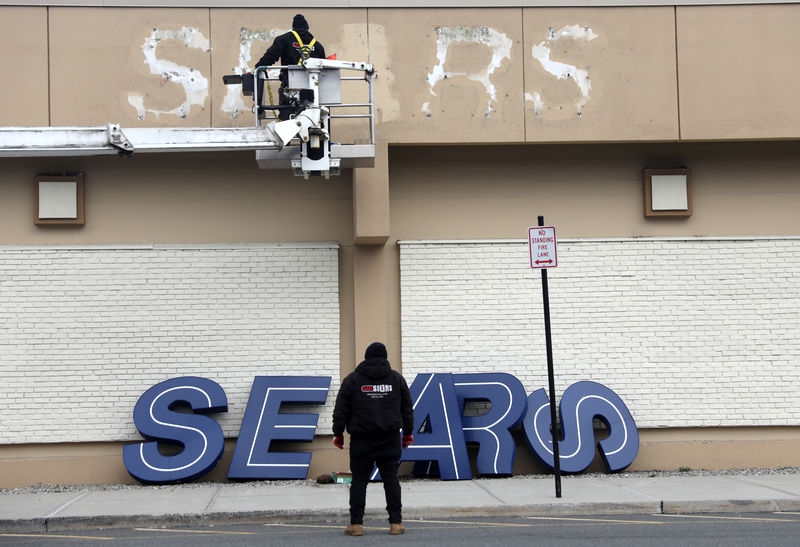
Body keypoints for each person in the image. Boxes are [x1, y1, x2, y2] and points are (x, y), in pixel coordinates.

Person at [333, 342, 415, 536]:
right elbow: (407, 409)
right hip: (390, 438)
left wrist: (338, 434)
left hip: (362, 440)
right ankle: (396, 524)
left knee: (359, 481)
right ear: (385, 358)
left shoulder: (352, 380)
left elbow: (341, 409)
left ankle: (356, 525)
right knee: (390, 479)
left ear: (366, 357)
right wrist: (408, 433)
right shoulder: (396, 379)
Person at [254, 14, 326, 120]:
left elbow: (270, 57)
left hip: (290, 88)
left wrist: (257, 68)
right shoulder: (318, 46)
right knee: (314, 117)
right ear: (307, 28)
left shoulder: (284, 39)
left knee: (286, 117)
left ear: (293, 27)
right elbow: (323, 68)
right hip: (312, 90)